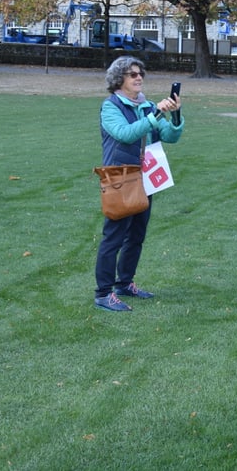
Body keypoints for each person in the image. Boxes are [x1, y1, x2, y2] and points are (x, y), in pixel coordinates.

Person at [94, 56, 183, 312]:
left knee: (136, 236)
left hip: (145, 178)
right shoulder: (110, 107)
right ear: (119, 79)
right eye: (132, 74)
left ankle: (125, 283)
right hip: (120, 179)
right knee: (113, 238)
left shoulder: (147, 106)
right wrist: (156, 114)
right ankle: (103, 293)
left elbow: (170, 136)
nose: (138, 78)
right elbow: (125, 134)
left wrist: (175, 115)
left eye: (140, 73)